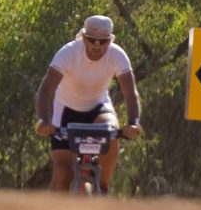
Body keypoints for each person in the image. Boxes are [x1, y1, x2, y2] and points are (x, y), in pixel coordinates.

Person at [32, 14, 142, 194]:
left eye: (103, 41)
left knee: (111, 131)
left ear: (110, 40)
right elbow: (45, 90)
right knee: (62, 174)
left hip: (98, 108)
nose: (96, 46)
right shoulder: (68, 52)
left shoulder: (117, 55)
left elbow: (130, 94)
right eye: (91, 40)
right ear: (83, 37)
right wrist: (43, 121)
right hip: (66, 111)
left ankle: (103, 188)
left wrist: (133, 122)